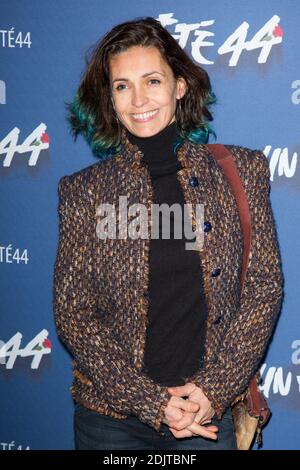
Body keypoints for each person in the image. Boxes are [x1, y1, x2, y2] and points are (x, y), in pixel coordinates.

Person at [53, 17, 284, 450]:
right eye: (122, 86)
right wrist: (154, 402)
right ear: (109, 98)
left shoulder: (241, 172)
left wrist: (213, 391)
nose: (138, 99)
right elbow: (74, 314)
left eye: (152, 80)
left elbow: (263, 288)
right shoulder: (83, 192)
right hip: (111, 420)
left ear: (179, 86)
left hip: (205, 413)